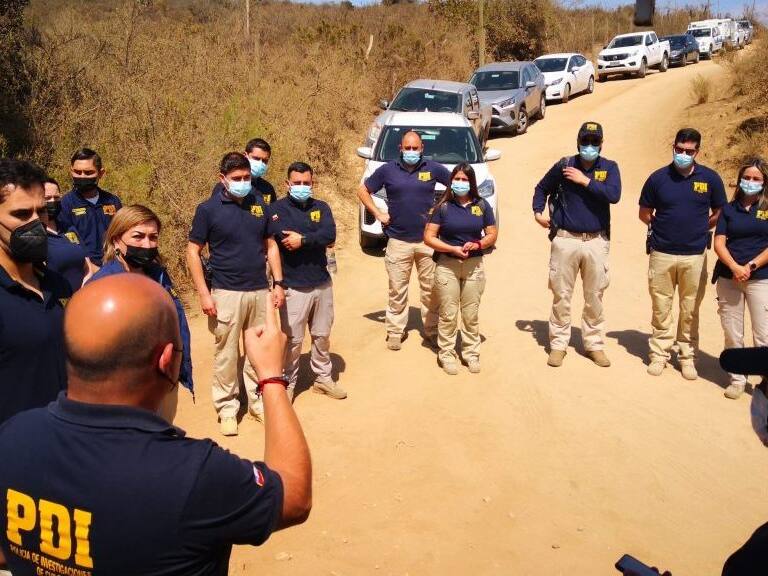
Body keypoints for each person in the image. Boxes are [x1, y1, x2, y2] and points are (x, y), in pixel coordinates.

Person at [0, 274, 311, 575]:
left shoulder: (14, 436)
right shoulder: (194, 474)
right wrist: (271, 376)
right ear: (166, 361)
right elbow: (295, 496)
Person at [187, 152, 285, 436]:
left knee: (258, 351)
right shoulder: (208, 210)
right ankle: (227, 407)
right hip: (225, 292)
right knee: (227, 354)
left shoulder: (259, 204)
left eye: (246, 178)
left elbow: (271, 246)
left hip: (258, 290)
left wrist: (278, 283)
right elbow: (193, 252)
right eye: (237, 179)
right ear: (223, 179)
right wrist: (204, 294)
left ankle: (256, 402)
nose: (243, 183)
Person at [532, 121, 621, 368]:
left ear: (601, 144)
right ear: (578, 142)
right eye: (585, 141)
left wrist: (585, 181)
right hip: (565, 240)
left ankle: (594, 344)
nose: (589, 146)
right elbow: (541, 188)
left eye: (594, 142)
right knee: (561, 295)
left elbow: (614, 195)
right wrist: (538, 211)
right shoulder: (564, 165)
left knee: (595, 296)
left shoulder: (610, 168)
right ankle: (559, 344)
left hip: (596, 242)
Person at [639, 128, 726, 380]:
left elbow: (721, 210)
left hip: (695, 254)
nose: (683, 155)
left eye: (689, 151)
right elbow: (644, 212)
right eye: (679, 149)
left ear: (697, 151)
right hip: (662, 253)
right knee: (661, 306)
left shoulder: (710, 179)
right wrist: (660, 226)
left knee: (690, 309)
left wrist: (704, 225)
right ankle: (659, 354)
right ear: (673, 147)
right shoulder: (658, 178)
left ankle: (687, 357)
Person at [356, 130, 451, 351]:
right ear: (400, 149)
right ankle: (395, 331)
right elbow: (363, 190)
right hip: (397, 241)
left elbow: (455, 183)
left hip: (428, 242)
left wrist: (439, 208)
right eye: (406, 148)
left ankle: (432, 331)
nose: (410, 152)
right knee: (397, 289)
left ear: (421, 149)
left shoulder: (432, 168)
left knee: (431, 289)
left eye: (414, 148)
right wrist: (379, 213)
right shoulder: (388, 170)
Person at [88, 204, 194, 402]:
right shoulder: (102, 286)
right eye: (138, 236)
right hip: (124, 390)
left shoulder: (159, 275)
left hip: (165, 378)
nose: (147, 245)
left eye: (153, 237)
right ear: (116, 240)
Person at [0, 159, 71, 426]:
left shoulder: (54, 283)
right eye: (20, 215)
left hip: (66, 445)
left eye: (40, 212)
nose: (36, 223)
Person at [269, 162, 345, 401]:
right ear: (287, 184)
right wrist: (313, 238)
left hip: (321, 283)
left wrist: (303, 239)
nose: (302, 187)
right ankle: (287, 383)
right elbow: (282, 241)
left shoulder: (321, 207)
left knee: (322, 335)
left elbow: (329, 235)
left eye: (306, 183)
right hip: (293, 286)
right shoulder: (277, 209)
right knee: (293, 341)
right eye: (297, 183)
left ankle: (323, 378)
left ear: (313, 184)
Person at [424, 163, 497, 375]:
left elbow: (492, 233)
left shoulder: (482, 205)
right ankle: (446, 354)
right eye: (457, 179)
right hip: (447, 266)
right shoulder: (442, 207)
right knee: (448, 313)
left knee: (470, 314)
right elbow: (428, 237)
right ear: (451, 182)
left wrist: (479, 244)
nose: (460, 183)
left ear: (471, 183)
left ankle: (471, 353)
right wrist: (452, 249)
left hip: (474, 266)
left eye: (465, 180)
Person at [712, 158, 768, 399]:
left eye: (756, 179)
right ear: (739, 179)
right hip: (729, 277)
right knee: (732, 330)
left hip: (761, 278)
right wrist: (735, 267)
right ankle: (737, 378)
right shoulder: (728, 208)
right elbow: (719, 242)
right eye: (747, 177)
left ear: (764, 182)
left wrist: (751, 265)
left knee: (763, 333)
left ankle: (766, 381)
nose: (751, 182)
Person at [58, 147, 122, 266]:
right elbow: (65, 243)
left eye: (88, 173)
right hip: (83, 269)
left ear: (101, 173)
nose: (82, 176)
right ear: (71, 171)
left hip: (113, 266)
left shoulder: (113, 201)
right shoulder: (65, 204)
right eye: (77, 172)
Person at [43, 177, 92, 292]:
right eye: (47, 198)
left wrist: (84, 288)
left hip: (82, 295)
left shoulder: (68, 228)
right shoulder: (35, 235)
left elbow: (87, 263)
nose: (52, 201)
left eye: (56, 197)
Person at [211, 138, 277, 205]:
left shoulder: (268, 188)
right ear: (245, 155)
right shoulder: (225, 187)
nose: (260, 163)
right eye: (256, 158)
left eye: (264, 161)